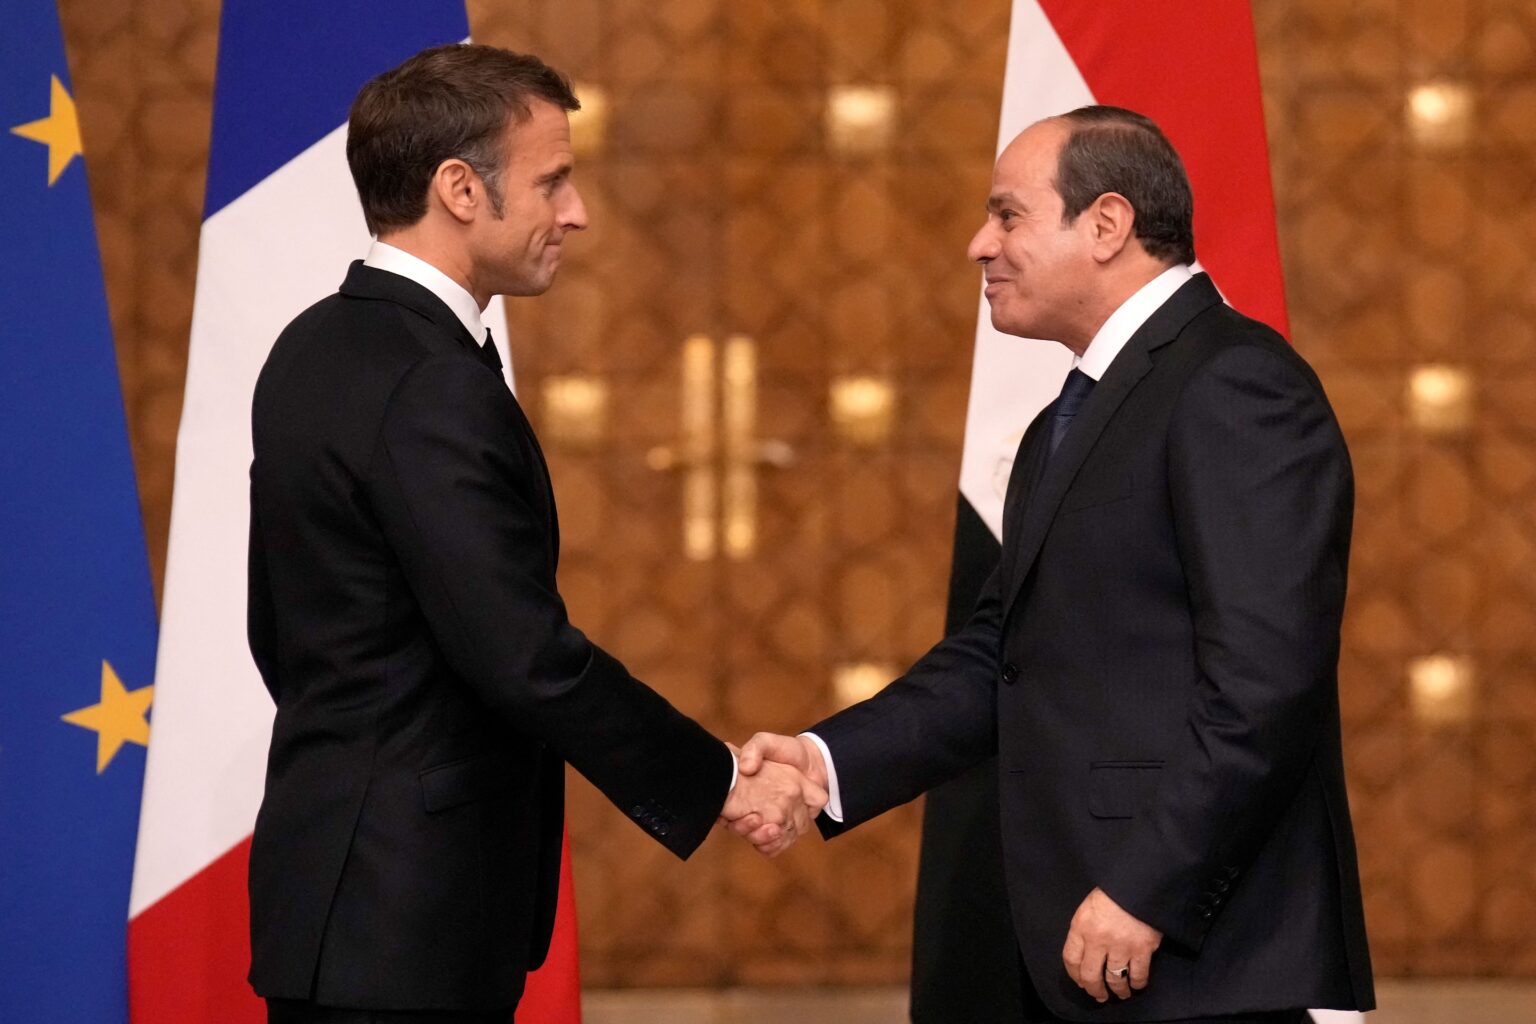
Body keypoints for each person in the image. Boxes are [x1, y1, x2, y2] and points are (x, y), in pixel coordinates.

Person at [733, 106, 1374, 1023]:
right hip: (1082, 938)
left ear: (1107, 224)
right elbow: (1003, 652)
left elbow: (1266, 684)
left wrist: (1149, 889)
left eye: (1007, 215)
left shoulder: (1235, 384)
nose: (979, 244)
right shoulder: (1065, 421)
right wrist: (822, 762)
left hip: (1194, 949)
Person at [246, 44, 824, 1024]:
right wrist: (720, 779)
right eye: (552, 181)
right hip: (409, 921)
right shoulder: (431, 381)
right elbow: (523, 656)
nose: (577, 211)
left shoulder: (313, 345)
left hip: (340, 899)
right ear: (460, 189)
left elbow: (280, 630)